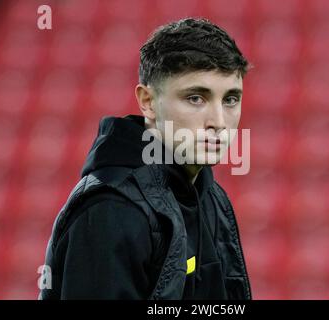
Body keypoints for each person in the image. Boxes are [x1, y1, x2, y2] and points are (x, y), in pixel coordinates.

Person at [39, 18, 252, 300]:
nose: (218, 121)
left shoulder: (210, 196)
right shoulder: (110, 210)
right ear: (148, 101)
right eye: (196, 98)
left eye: (230, 99)